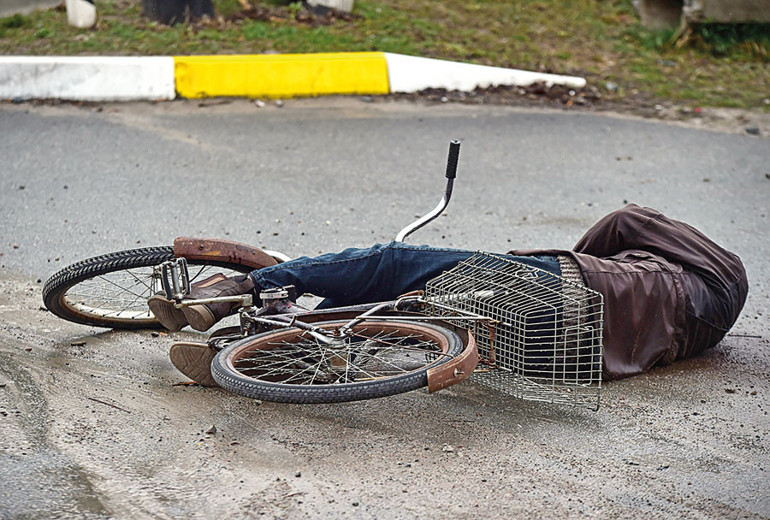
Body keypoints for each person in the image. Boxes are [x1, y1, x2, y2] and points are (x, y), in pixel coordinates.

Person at [149, 204, 748, 386]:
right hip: (571, 362)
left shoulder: (716, 267)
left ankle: (237, 288)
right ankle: (267, 358)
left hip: (566, 291)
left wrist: (569, 260)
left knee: (398, 265)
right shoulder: (699, 324)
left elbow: (624, 221)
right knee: (413, 319)